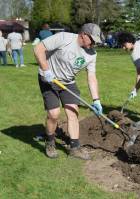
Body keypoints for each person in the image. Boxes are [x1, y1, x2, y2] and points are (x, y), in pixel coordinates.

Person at [34, 23, 103, 160]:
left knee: (73, 112)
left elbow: (91, 77)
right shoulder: (64, 38)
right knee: (54, 114)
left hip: (68, 82)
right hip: (49, 80)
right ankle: (50, 142)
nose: (94, 43)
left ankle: (75, 148)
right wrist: (46, 70)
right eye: (93, 39)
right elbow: (38, 49)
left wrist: (96, 100)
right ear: (83, 34)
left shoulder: (92, 54)